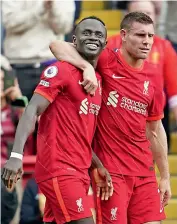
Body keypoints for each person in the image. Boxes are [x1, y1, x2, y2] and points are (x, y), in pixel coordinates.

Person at [49, 12, 171, 224]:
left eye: (150, 36)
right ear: (123, 35)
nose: (147, 41)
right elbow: (56, 45)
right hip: (112, 174)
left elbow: (155, 130)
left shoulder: (152, 81)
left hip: (144, 173)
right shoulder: (105, 59)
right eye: (140, 35)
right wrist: (87, 66)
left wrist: (166, 177)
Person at [1, 16, 113, 224]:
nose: (92, 37)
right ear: (74, 40)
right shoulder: (61, 71)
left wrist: (97, 165)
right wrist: (16, 155)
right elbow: (32, 109)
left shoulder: (96, 80)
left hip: (79, 171)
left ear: (105, 44)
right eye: (86, 33)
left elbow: (79, 133)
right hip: (60, 169)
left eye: (98, 34)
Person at [107, 0, 177, 146]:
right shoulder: (110, 44)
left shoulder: (164, 47)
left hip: (153, 116)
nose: (144, 19)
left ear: (156, 17)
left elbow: (174, 92)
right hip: (116, 115)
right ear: (126, 18)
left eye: (148, 14)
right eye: (138, 16)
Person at [2, 0, 75, 101]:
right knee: (18, 114)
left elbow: (64, 27)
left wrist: (52, 7)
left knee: (51, 115)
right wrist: (41, 8)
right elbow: (9, 22)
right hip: (18, 66)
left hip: (51, 66)